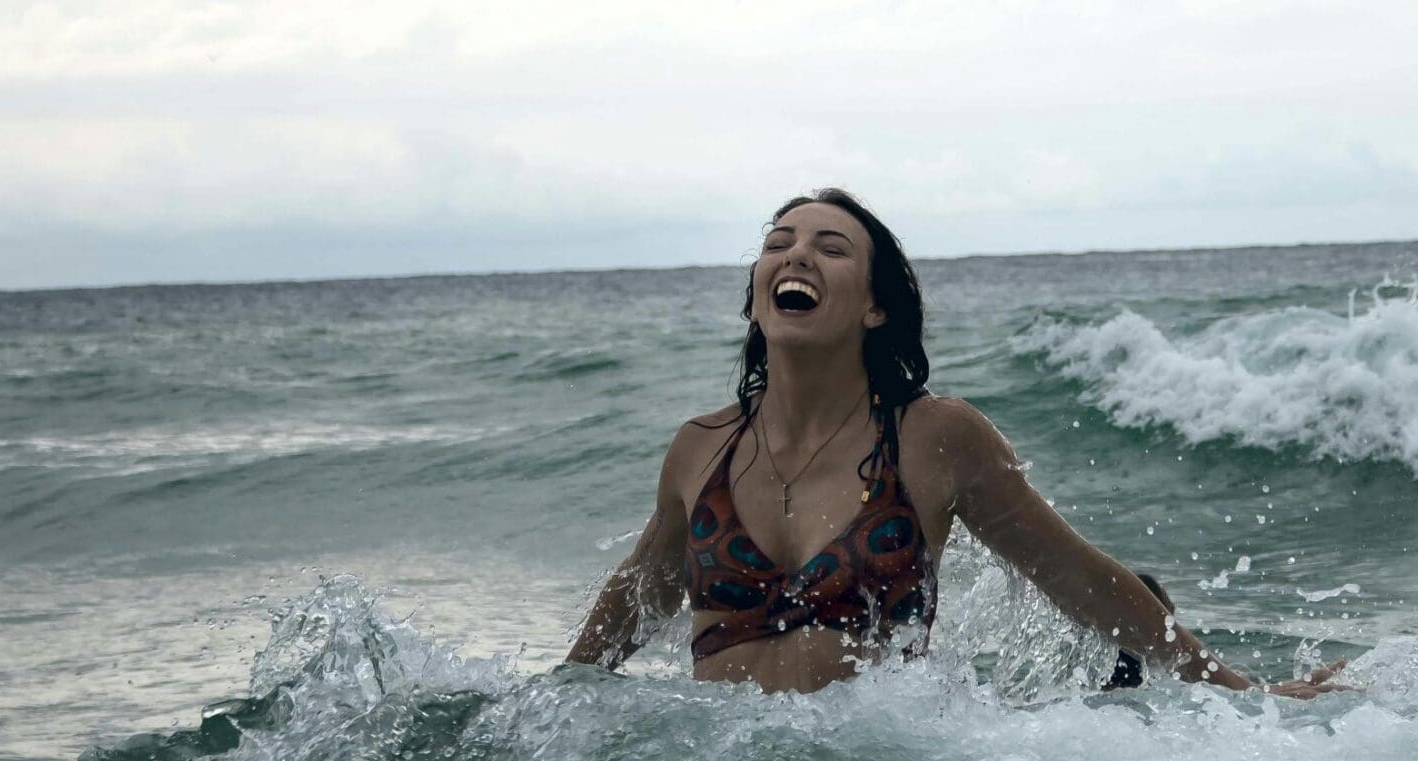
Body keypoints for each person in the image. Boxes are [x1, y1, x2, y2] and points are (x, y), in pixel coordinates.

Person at [566, 189, 1346, 698]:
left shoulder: (933, 436)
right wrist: (556, 698)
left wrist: (1241, 691)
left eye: (830, 248)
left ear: (875, 309)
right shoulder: (700, 448)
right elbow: (644, 588)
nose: (797, 254)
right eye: (779, 242)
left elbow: (1074, 575)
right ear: (758, 293)